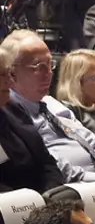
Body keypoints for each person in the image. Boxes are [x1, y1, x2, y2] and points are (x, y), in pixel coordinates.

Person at [3, 30, 95, 183]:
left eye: (50, 64)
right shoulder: (10, 114)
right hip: (71, 187)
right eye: (39, 67)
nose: (48, 73)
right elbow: (48, 165)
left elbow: (94, 146)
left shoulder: (52, 104)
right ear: (12, 72)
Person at [0, 41, 63, 194]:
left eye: (10, 73)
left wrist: (50, 196)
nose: (10, 81)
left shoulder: (13, 108)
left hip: (44, 199)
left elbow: (47, 163)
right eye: (3, 75)